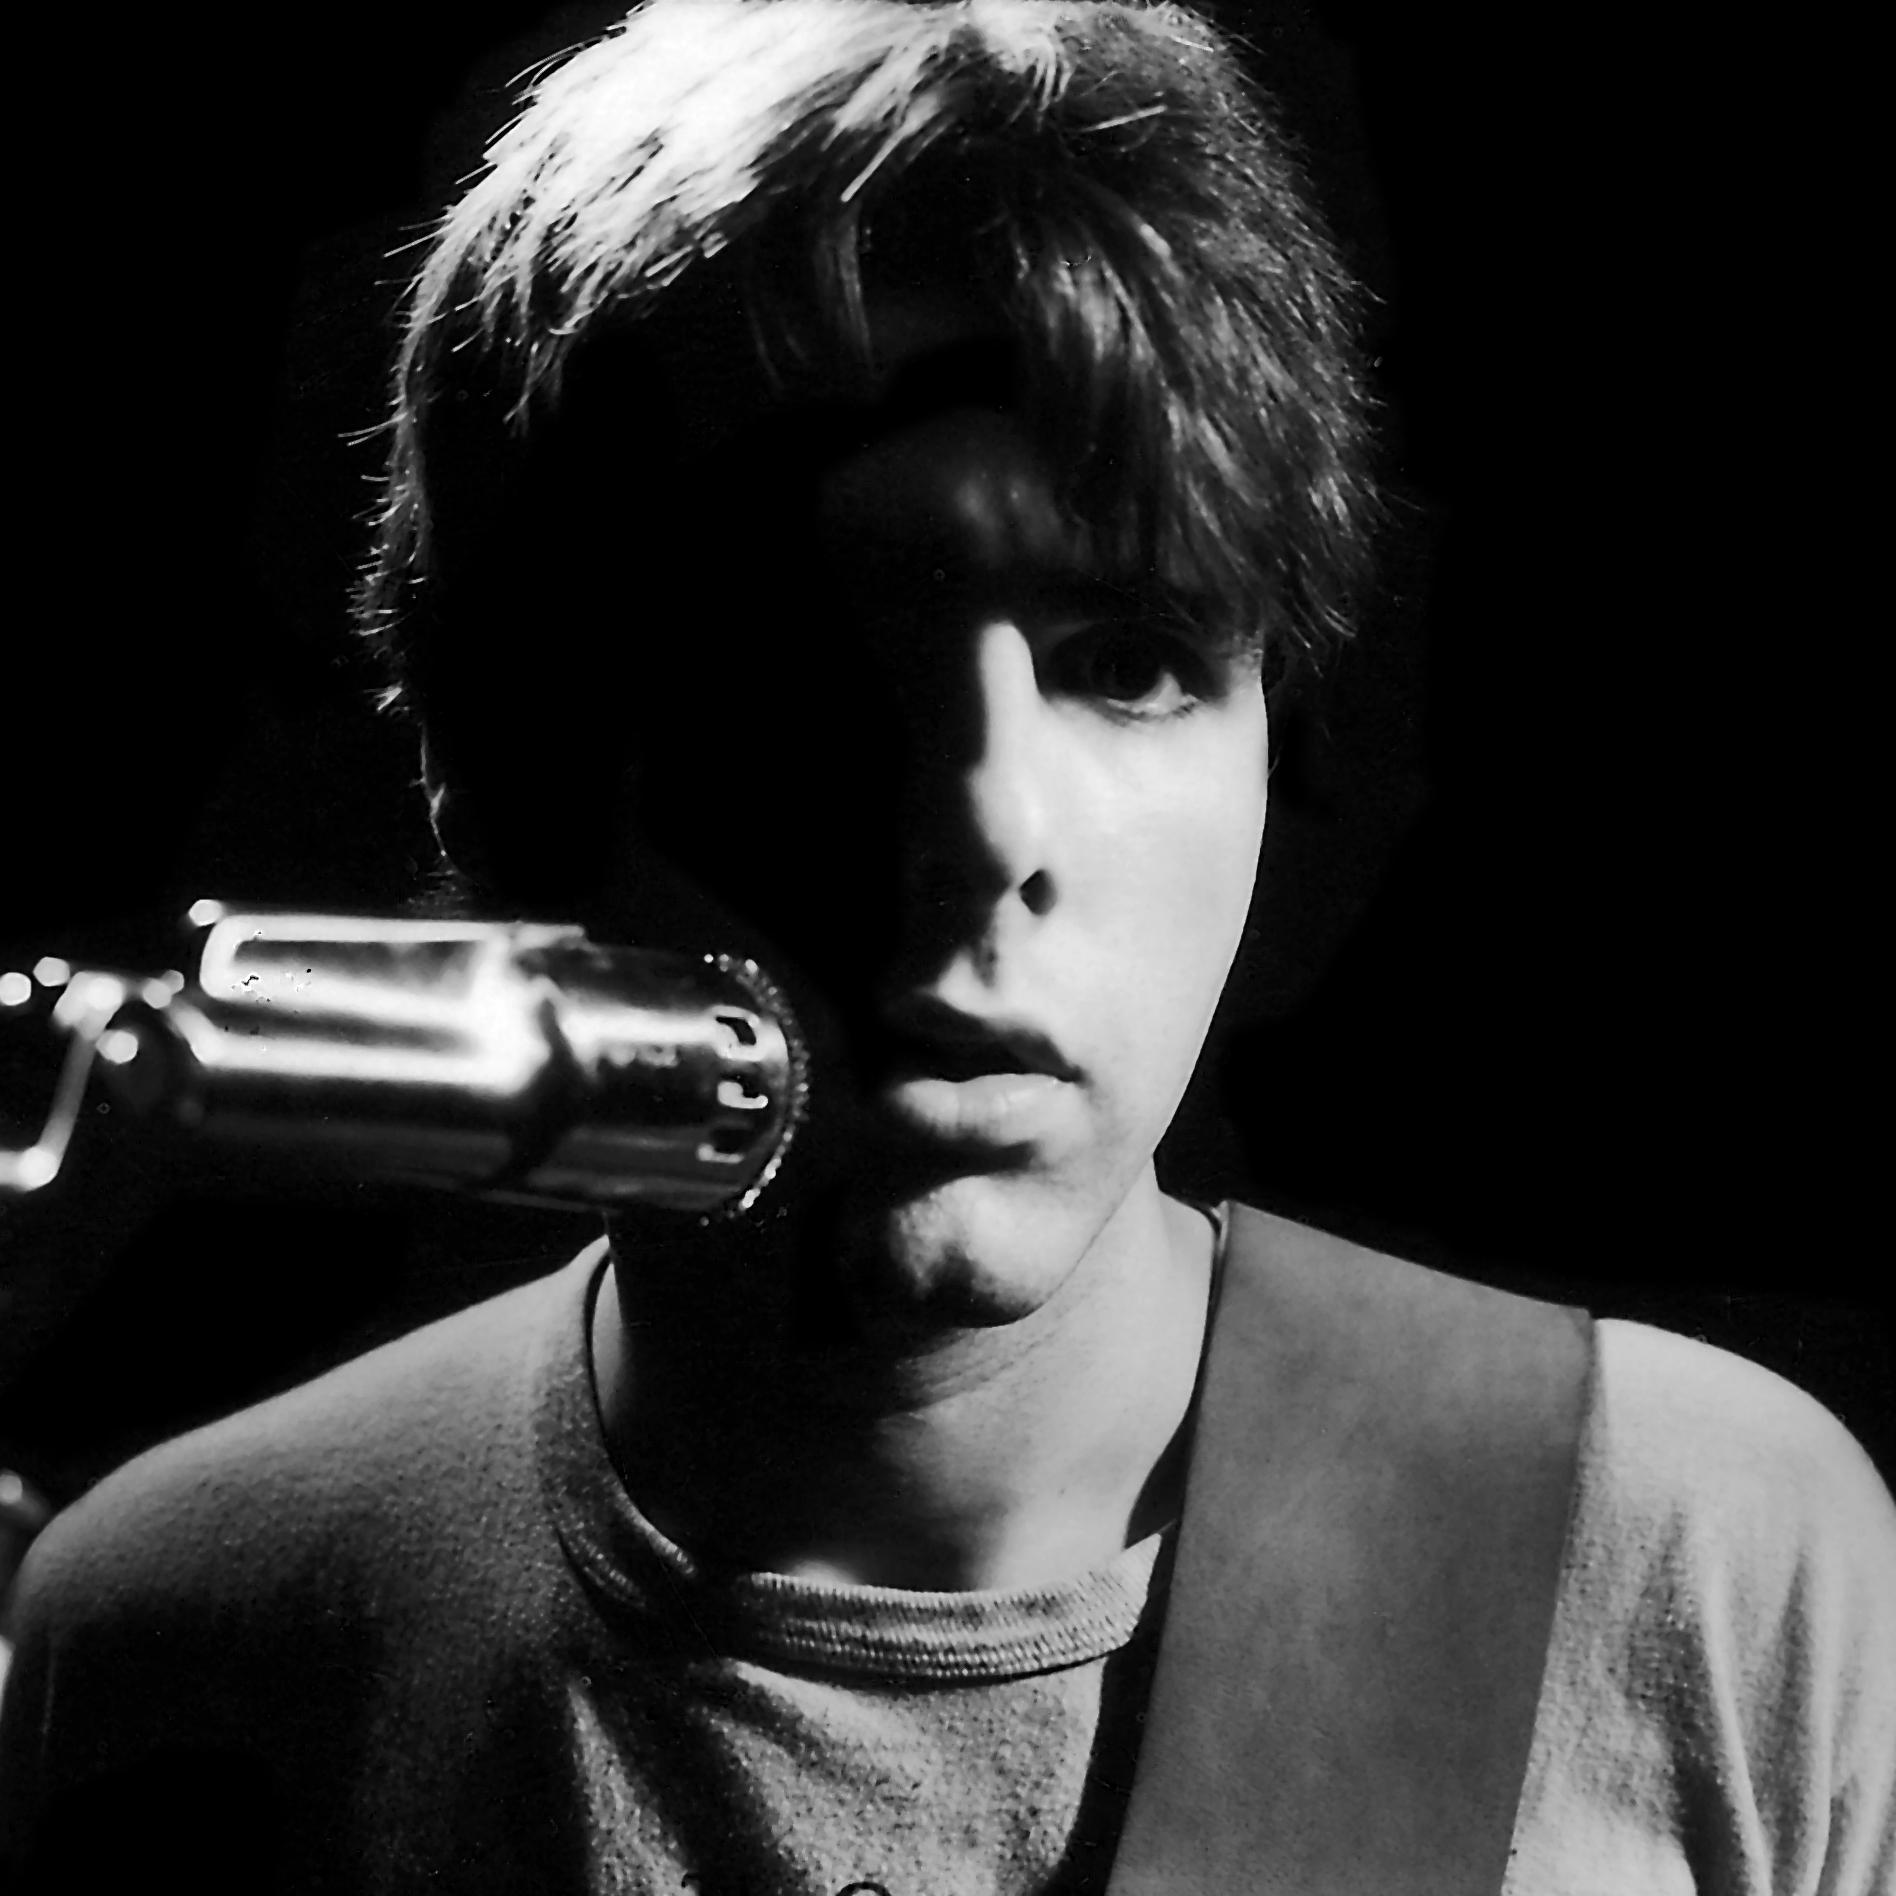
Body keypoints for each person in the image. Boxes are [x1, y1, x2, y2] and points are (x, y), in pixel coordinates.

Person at [2, 2, 1891, 1891]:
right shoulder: (169, 1631)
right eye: (804, 663)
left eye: (1130, 661)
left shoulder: (1703, 1553)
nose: (984, 831)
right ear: (484, 771)